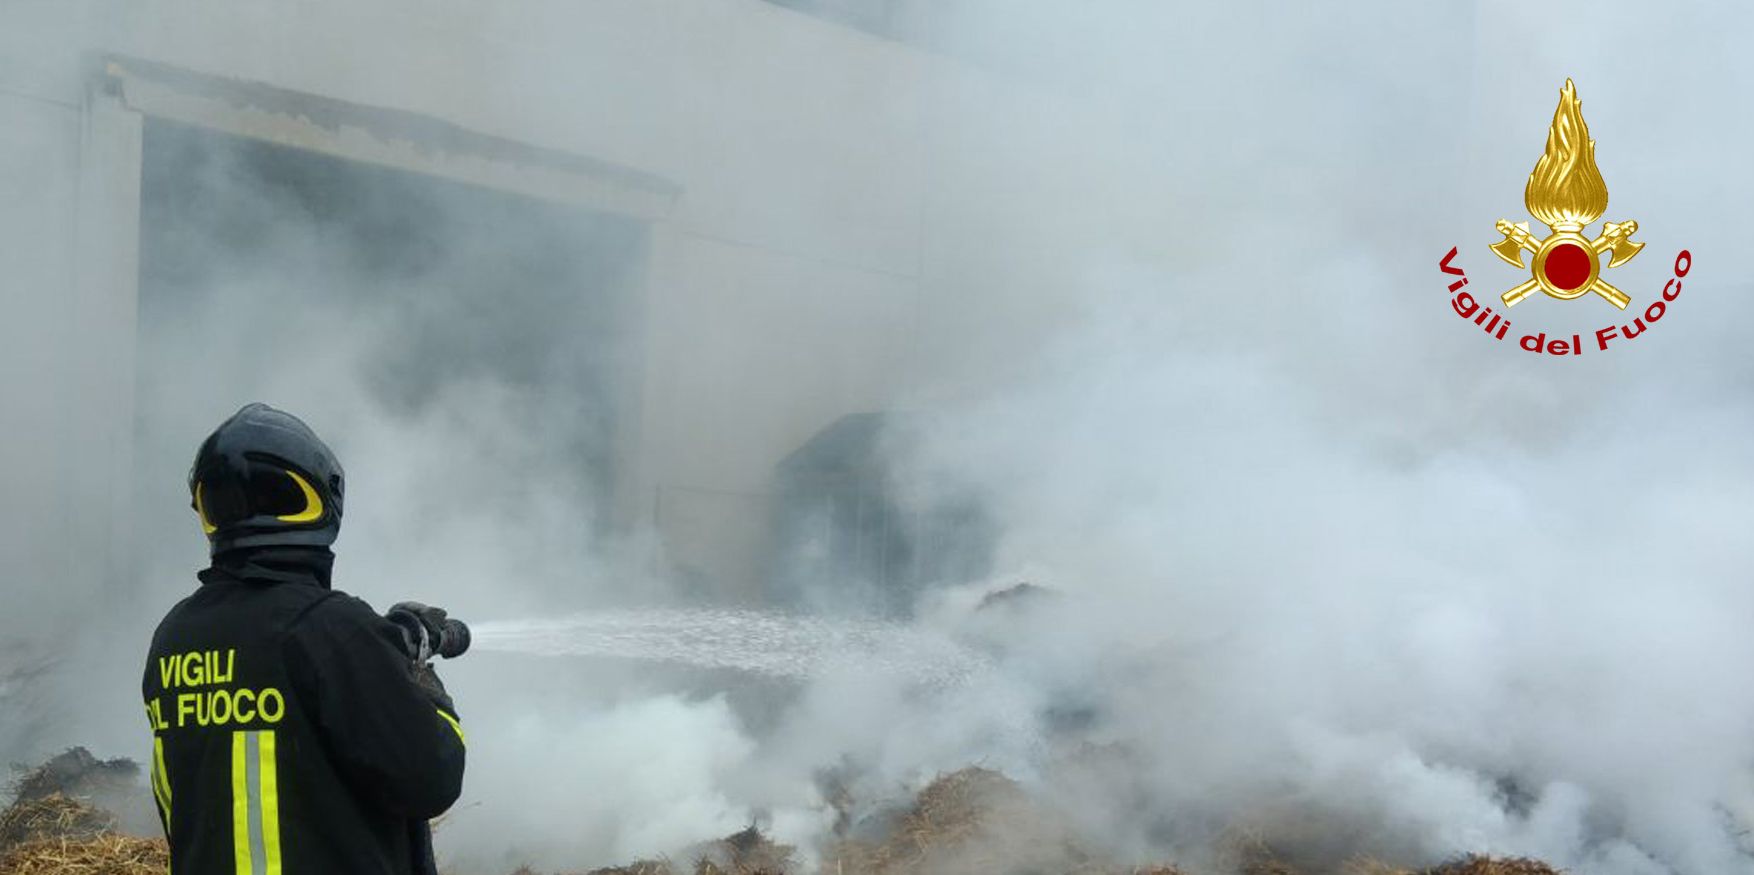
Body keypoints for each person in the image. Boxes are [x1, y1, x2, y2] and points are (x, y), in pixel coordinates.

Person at [142, 403, 466, 875]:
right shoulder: (331, 628)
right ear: (318, 497)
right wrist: (417, 678)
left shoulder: (173, 637)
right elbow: (431, 776)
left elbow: (178, 802)